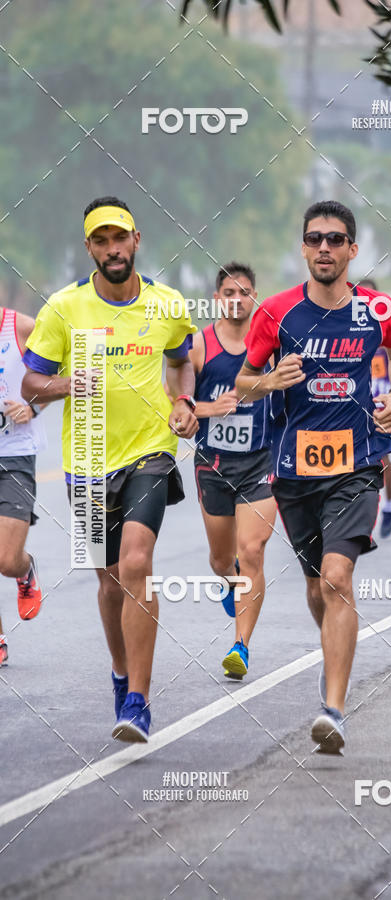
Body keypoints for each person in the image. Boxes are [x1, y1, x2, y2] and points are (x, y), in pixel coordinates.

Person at [235, 200, 391, 753]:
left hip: (358, 463)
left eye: (336, 240)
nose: (325, 249)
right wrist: (271, 381)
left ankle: (333, 708)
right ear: (304, 248)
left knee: (338, 577)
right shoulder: (276, 314)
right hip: (295, 471)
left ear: (352, 250)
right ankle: (332, 654)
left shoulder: (375, 308)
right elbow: (242, 382)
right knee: (317, 586)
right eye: (315, 239)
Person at [22, 196, 198, 742]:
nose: (112, 249)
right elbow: (31, 384)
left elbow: (181, 360)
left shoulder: (167, 304)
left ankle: (140, 702)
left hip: (150, 450)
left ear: (136, 240)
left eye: (119, 238)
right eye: (100, 241)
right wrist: (71, 384)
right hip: (89, 456)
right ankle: (121, 677)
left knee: (136, 563)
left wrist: (184, 403)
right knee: (108, 581)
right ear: (89, 248)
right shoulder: (63, 309)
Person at [191, 262, 276, 679]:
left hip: (261, 462)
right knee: (223, 558)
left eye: (245, 291)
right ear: (217, 298)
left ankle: (240, 647)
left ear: (254, 296)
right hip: (213, 464)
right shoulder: (198, 346)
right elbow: (176, 408)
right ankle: (229, 580)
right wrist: (210, 408)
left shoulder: (270, 342)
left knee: (252, 552)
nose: (237, 299)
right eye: (229, 292)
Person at [0, 305, 46, 665]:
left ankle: (24, 568)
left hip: (15, 454)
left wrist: (33, 405)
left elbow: (60, 362)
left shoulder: (21, 326)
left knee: (5, 559)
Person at [360, 278, 391, 538]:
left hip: (381, 408)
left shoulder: (385, 338)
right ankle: (361, 515)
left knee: (381, 459)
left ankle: (390, 506)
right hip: (353, 409)